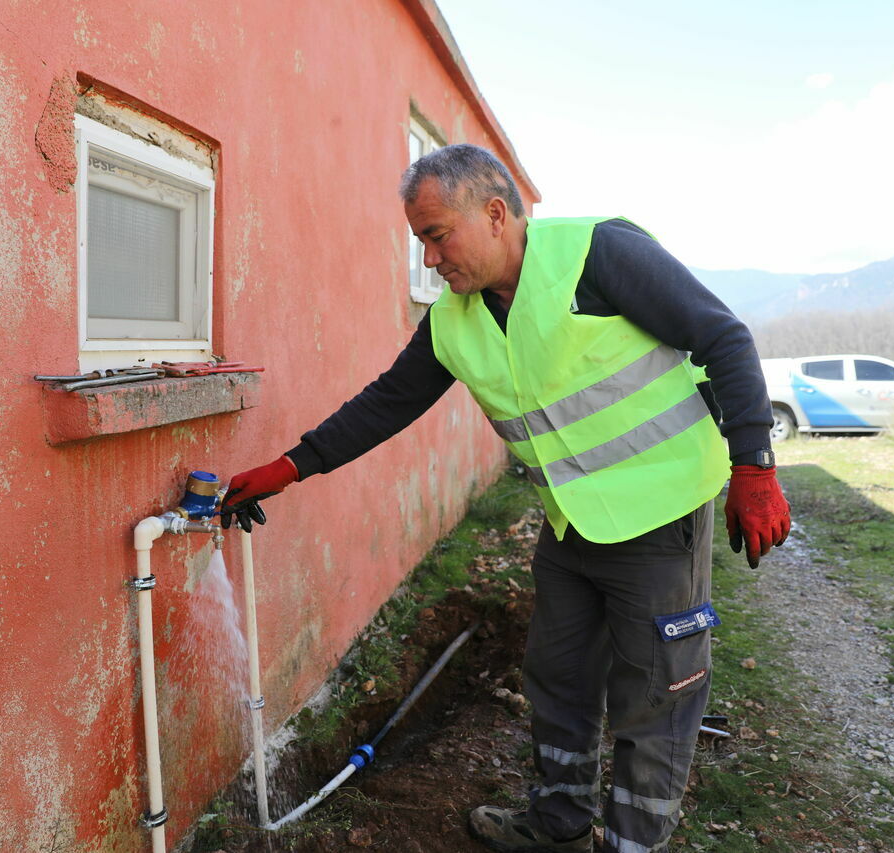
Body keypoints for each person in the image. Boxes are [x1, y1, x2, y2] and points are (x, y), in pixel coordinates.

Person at [221, 144, 790, 852]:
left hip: (659, 516)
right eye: (420, 241)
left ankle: (634, 843)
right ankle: (559, 827)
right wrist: (291, 464)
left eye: (436, 235)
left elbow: (722, 334)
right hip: (572, 526)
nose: (430, 259)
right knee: (558, 680)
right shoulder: (456, 320)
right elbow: (387, 403)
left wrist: (754, 466)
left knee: (655, 697)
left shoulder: (596, 256)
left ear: (495, 214)